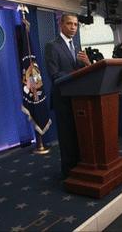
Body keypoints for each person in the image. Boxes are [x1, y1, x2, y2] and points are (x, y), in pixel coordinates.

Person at [45, 13, 91, 178]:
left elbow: (82, 71)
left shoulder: (76, 46)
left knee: (78, 136)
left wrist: (87, 64)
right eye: (70, 24)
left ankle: (79, 166)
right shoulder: (52, 46)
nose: (73, 27)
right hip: (62, 99)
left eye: (76, 24)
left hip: (78, 99)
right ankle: (69, 173)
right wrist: (76, 72)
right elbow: (54, 74)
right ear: (61, 25)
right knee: (67, 137)